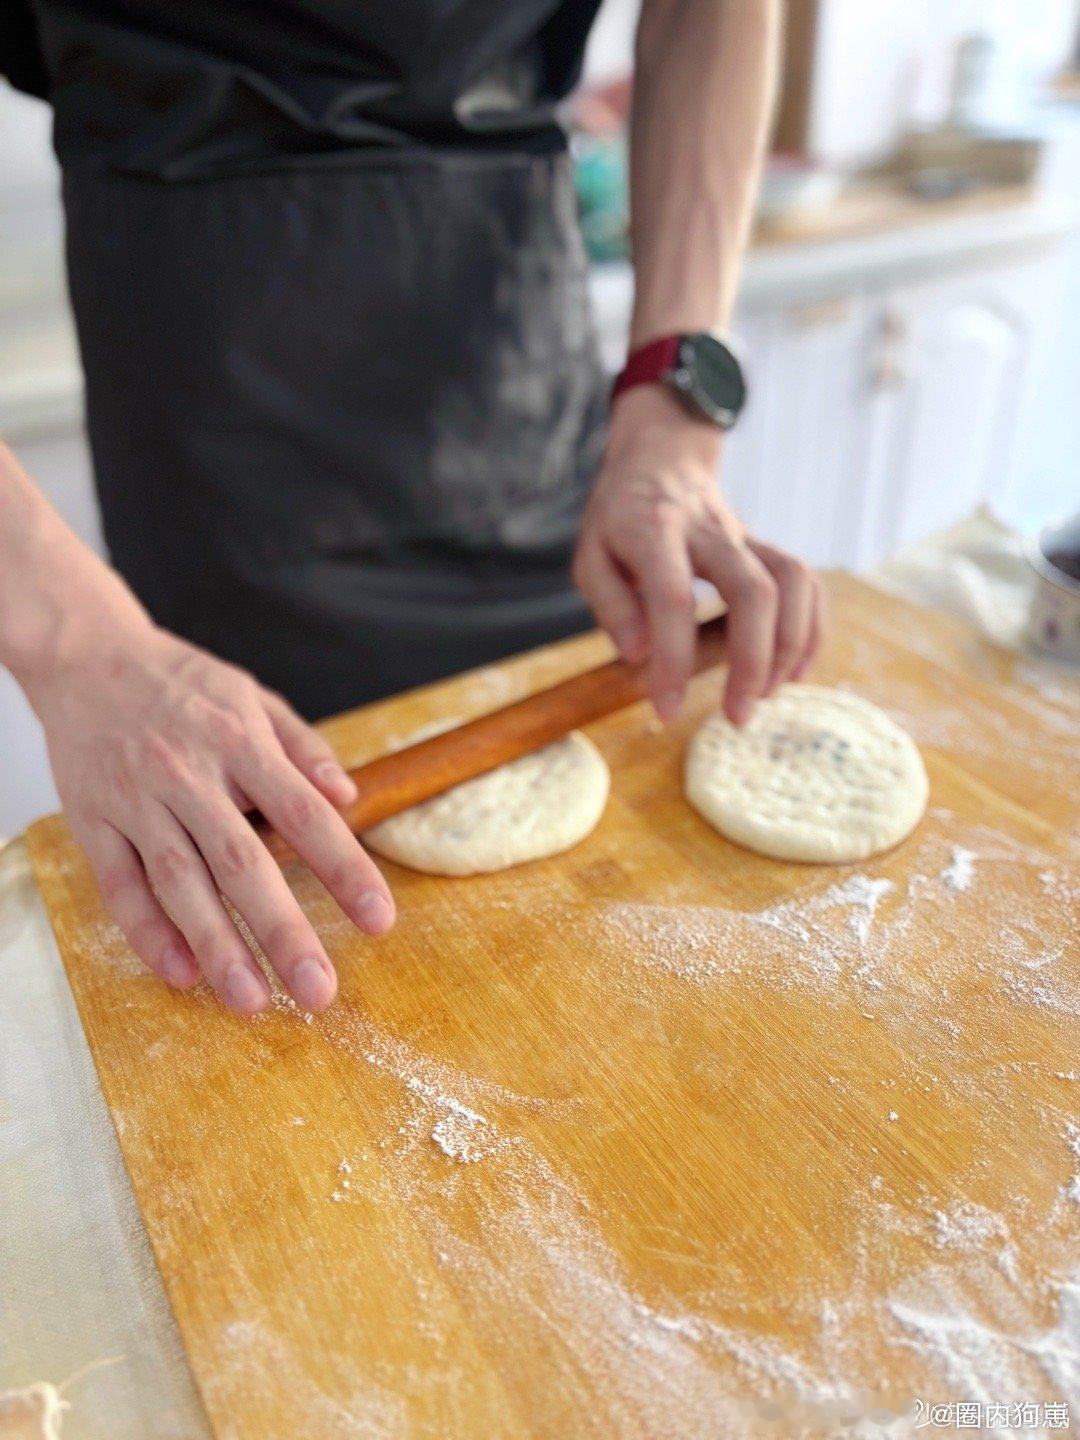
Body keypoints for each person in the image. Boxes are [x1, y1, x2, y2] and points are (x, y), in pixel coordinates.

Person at [0, 0, 823, 1016]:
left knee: (580, 938)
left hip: (512, 363)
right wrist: (74, 640)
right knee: (258, 885)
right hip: (215, 416)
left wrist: (673, 406)